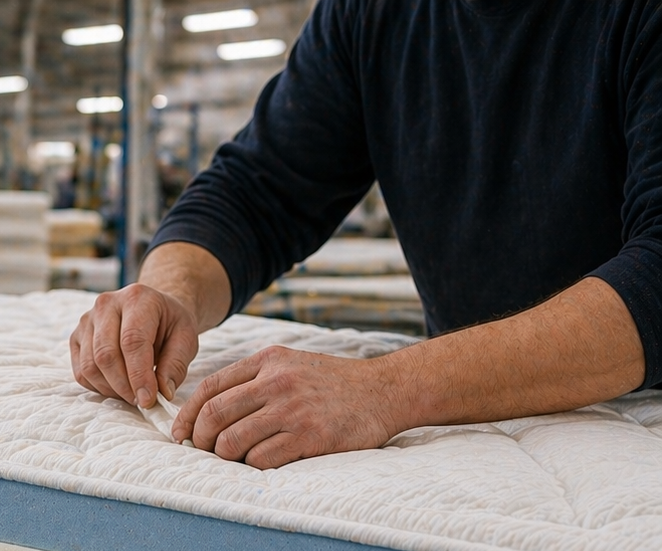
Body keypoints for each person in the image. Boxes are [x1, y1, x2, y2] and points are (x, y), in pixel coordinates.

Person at [70, 0, 661, 469]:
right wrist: (170, 294)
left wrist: (386, 388)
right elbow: (257, 190)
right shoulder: (372, 12)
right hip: (483, 431)